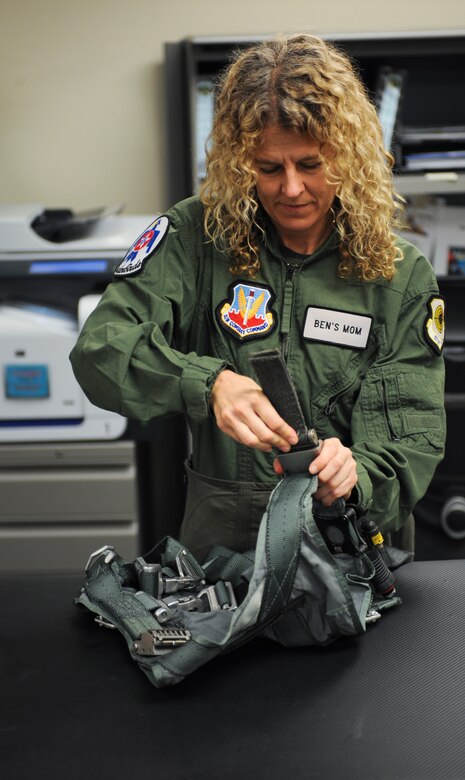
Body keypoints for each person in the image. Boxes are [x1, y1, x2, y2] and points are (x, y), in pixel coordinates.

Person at [70, 34, 446, 562]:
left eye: (310, 165)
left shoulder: (398, 274)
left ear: (348, 156)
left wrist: (354, 473)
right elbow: (100, 352)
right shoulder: (192, 237)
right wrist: (207, 383)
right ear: (239, 162)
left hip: (346, 550)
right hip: (222, 550)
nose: (290, 189)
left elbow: (413, 441)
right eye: (269, 168)